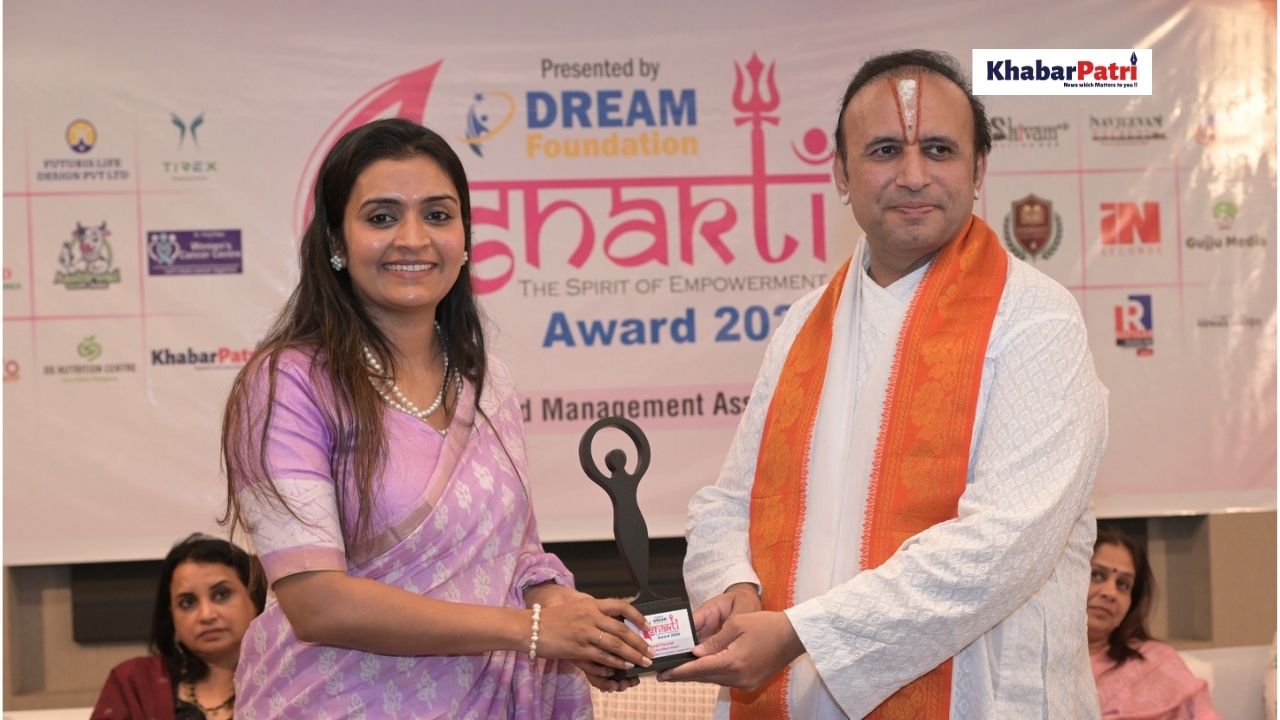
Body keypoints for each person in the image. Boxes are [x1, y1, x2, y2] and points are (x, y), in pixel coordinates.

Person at [662, 49, 1109, 718]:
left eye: (939, 149)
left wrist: (802, 633)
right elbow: (730, 503)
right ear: (842, 173)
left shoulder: (1034, 318)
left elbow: (1004, 546)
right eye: (884, 151)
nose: (913, 175)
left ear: (979, 169)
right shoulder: (802, 325)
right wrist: (736, 585)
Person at [220, 118, 651, 718]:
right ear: (336, 242)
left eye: (438, 215)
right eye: (381, 217)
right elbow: (316, 603)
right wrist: (530, 631)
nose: (413, 238)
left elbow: (518, 558)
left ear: (465, 238)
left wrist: (574, 622)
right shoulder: (285, 386)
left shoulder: (486, 383)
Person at [92, 534, 266, 720]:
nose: (206, 615)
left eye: (222, 594)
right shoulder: (134, 683)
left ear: (255, 598)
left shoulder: (283, 677)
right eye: (187, 603)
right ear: (171, 615)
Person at [1089, 527, 1221, 719]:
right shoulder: (1043, 667)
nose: (1110, 593)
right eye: (1097, 575)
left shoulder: (1157, 661)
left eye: (1123, 584)